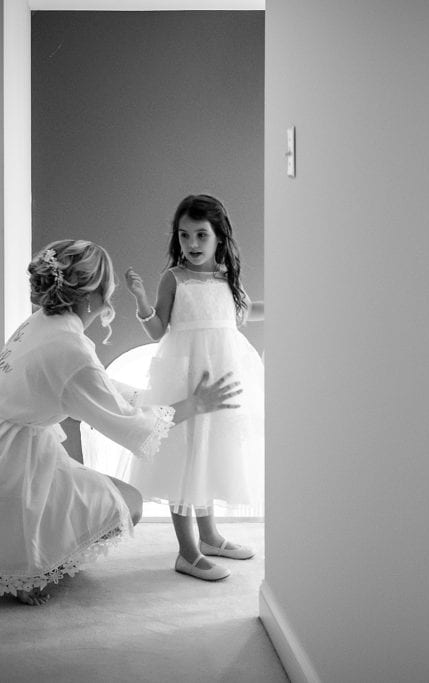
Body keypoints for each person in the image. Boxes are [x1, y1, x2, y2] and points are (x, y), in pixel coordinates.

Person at [0, 239, 241, 605]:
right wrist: (194, 404)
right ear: (92, 296)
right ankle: (27, 569)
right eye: (110, 290)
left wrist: (150, 395)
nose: (112, 298)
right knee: (128, 505)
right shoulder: (71, 348)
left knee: (75, 493)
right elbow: (134, 427)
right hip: (8, 470)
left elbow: (92, 385)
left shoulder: (41, 321)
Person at [124, 194, 264, 581]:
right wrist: (140, 301)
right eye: (185, 236)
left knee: (209, 453)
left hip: (221, 377)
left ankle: (210, 536)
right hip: (183, 377)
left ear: (219, 237)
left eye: (201, 235)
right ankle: (186, 552)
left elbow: (236, 320)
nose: (193, 244)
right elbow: (157, 331)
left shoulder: (226, 278)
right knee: (184, 457)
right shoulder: (174, 278)